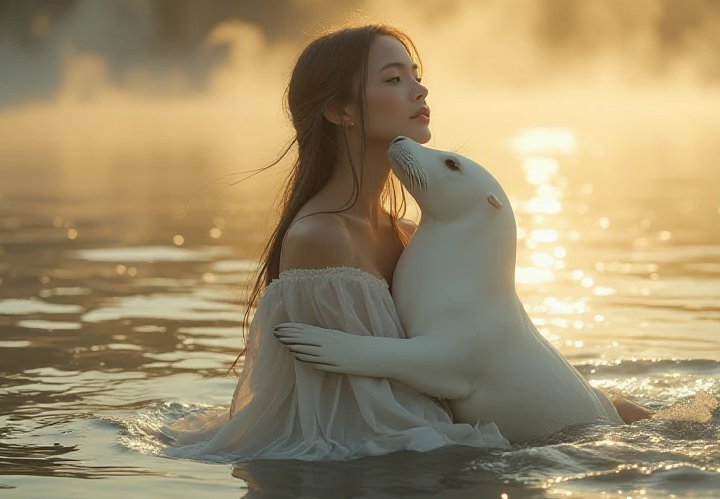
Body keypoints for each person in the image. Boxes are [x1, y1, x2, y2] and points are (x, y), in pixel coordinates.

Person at [161, 23, 507, 461]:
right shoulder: (320, 239)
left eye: (415, 75)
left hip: (420, 438)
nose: (420, 90)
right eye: (394, 79)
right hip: (359, 470)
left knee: (620, 411)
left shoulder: (408, 232)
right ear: (340, 111)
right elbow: (355, 418)